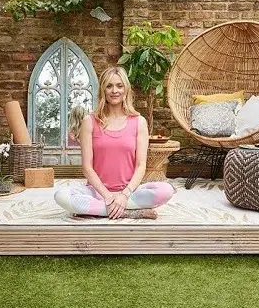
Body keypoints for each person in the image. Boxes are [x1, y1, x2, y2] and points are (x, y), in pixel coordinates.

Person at [54, 66, 175, 219]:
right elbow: (87, 167)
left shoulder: (139, 122)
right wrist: (107, 196)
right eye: (109, 86)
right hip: (97, 192)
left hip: (130, 192)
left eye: (119, 85)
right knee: (61, 195)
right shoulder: (89, 122)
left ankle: (104, 210)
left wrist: (124, 195)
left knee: (166, 190)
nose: (114, 90)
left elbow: (141, 165)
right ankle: (126, 212)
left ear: (126, 89)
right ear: (103, 90)